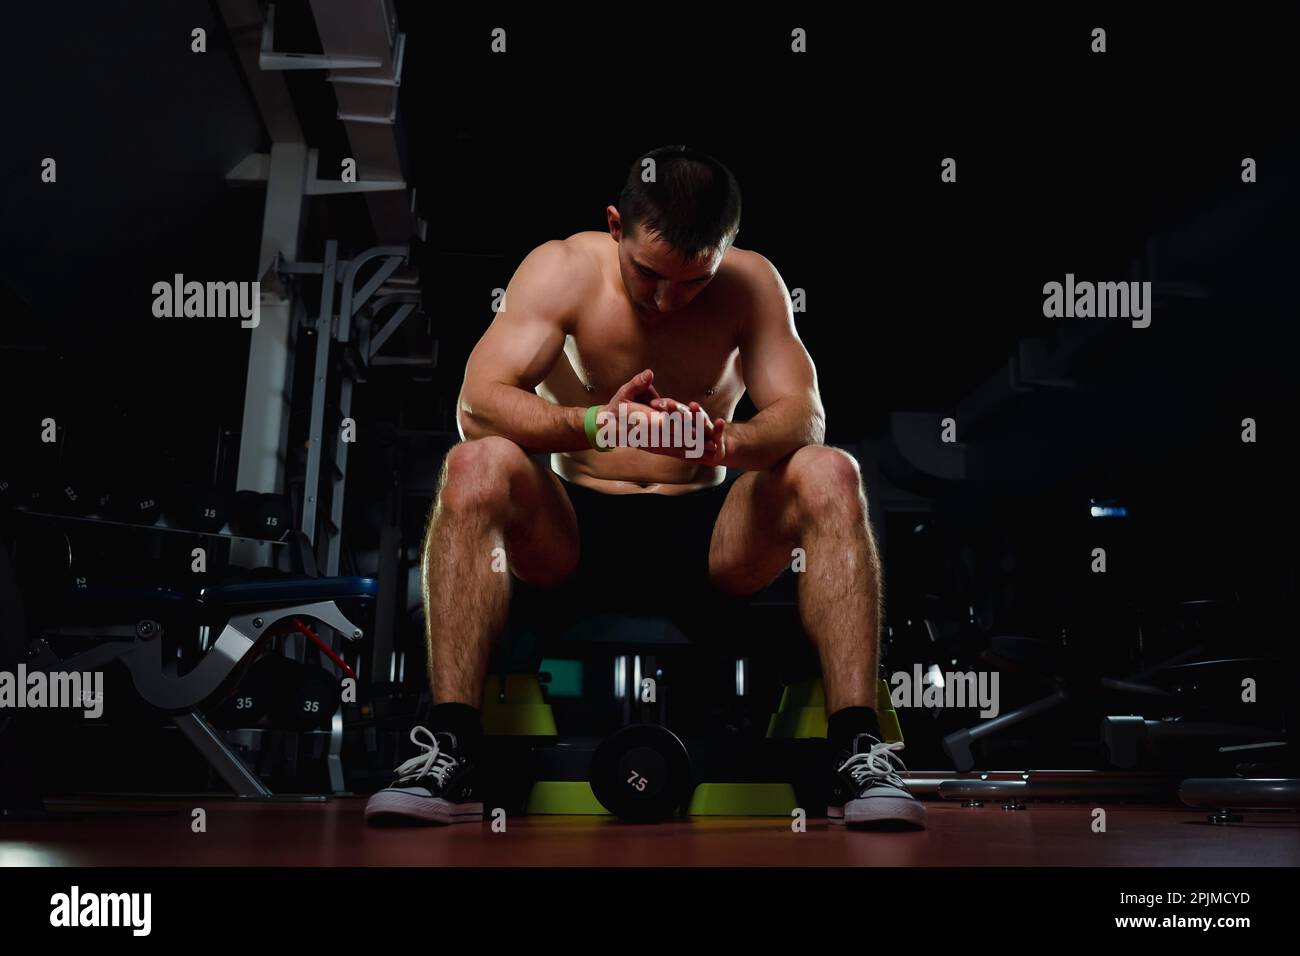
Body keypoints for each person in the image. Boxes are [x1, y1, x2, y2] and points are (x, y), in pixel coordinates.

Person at [365, 145, 925, 829]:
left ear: (726, 251)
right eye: (649, 274)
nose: (666, 300)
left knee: (830, 470)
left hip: (707, 534)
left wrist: (727, 441)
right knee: (474, 464)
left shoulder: (752, 285)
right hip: (573, 531)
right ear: (613, 226)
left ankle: (858, 751)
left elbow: (805, 417)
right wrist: (596, 423)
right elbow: (478, 405)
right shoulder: (561, 269)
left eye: (692, 283)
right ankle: (447, 747)